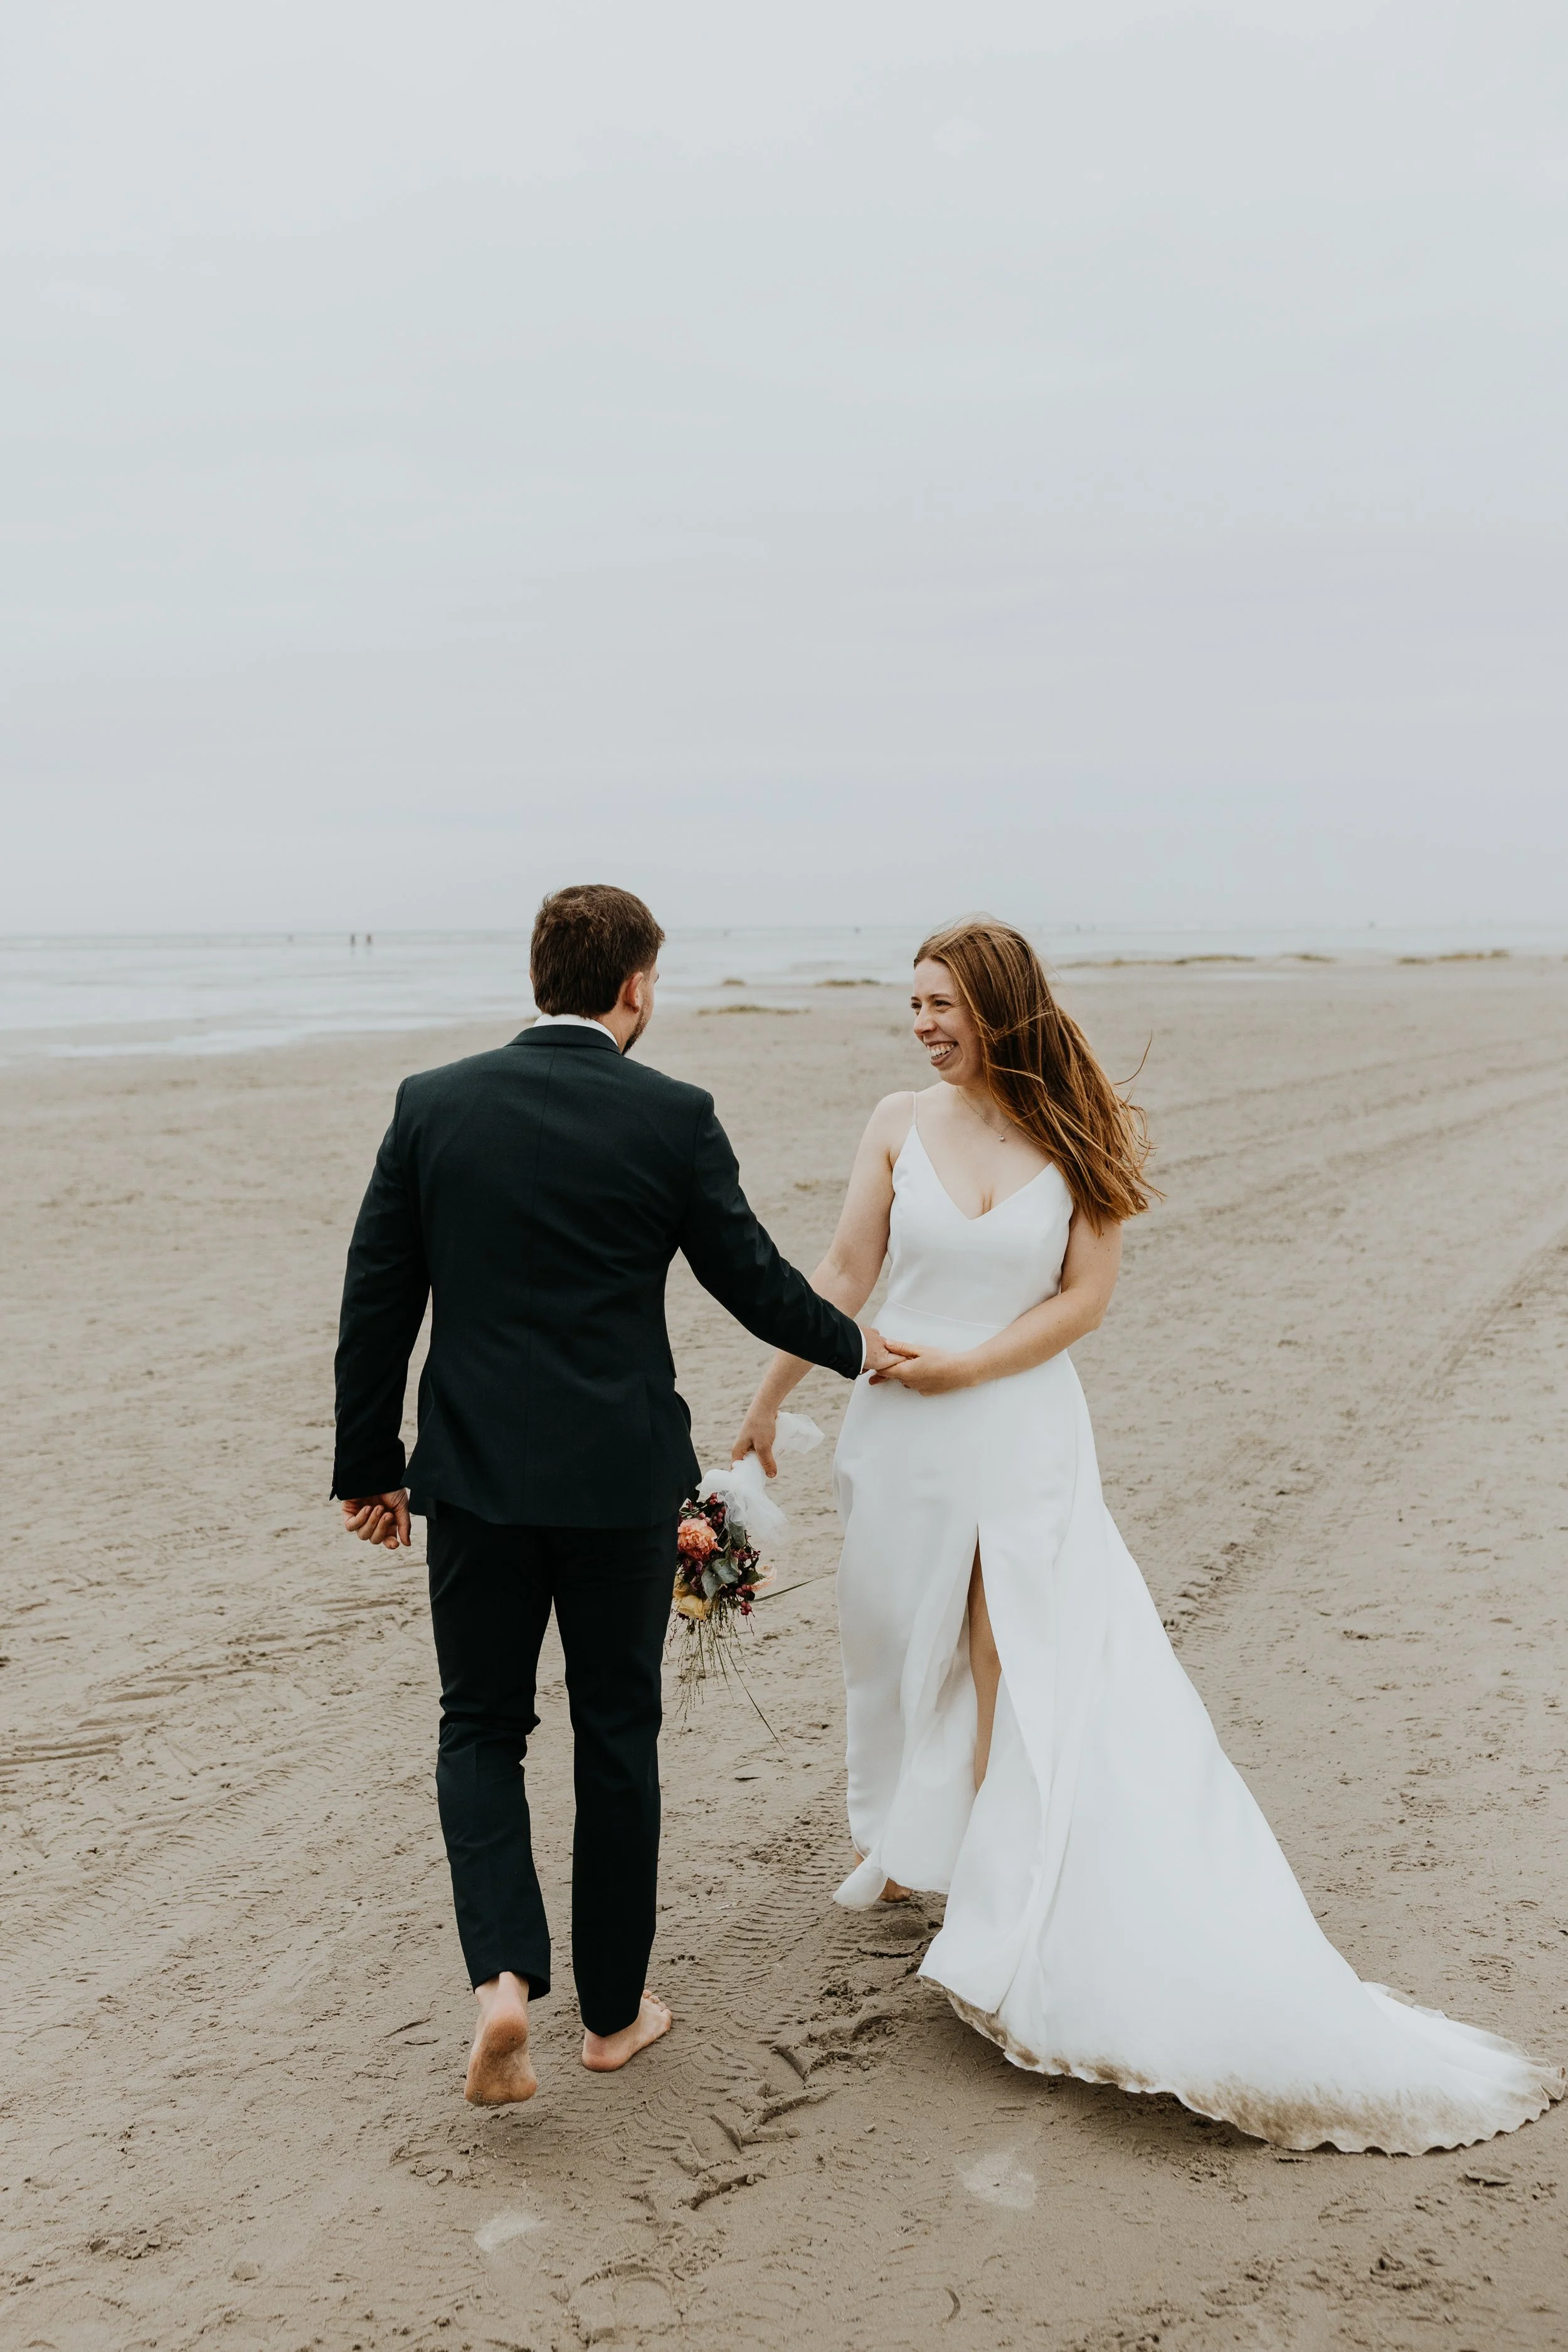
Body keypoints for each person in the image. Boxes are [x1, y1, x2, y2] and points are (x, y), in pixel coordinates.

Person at [732, 914, 1563, 2153]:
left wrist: (967, 1369)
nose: (921, 1025)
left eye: (942, 1006)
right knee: (901, 1648)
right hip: (895, 1441)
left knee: (1009, 1645)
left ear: (997, 1008)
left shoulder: (1071, 1132)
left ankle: (1002, 1905)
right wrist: (766, 1401)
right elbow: (844, 1273)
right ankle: (926, 1843)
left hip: (1014, 1431)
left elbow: (1083, 1299)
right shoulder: (894, 1122)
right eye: (911, 1005)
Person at [332, 883, 894, 2107]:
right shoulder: (670, 1117)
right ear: (635, 985)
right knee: (614, 1733)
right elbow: (752, 1280)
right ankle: (610, 2017)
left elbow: (379, 1297)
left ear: (539, 976)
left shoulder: (434, 1107)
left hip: (474, 1477)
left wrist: (367, 1467)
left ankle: (498, 1986)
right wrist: (864, 1352)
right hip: (617, 1479)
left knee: (479, 1727)